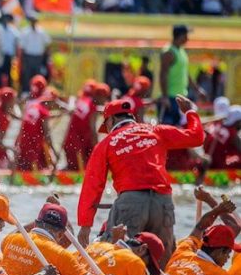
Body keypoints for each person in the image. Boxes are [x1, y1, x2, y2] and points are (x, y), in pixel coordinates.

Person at [77, 96, 205, 258]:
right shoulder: (155, 130)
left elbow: (92, 185)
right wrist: (191, 113)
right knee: (164, 261)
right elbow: (196, 137)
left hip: (131, 202)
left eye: (106, 125)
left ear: (112, 120)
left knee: (114, 257)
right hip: (163, 200)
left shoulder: (107, 143)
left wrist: (85, 225)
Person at [159, 25, 206, 126]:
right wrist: (164, 96)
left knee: (178, 128)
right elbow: (163, 74)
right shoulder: (169, 52)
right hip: (171, 97)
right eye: (186, 35)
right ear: (181, 36)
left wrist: (197, 89)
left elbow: (185, 73)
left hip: (180, 96)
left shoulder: (181, 51)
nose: (188, 38)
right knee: (168, 129)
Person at [63, 81, 109, 171]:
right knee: (89, 166)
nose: (105, 101)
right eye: (105, 97)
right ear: (99, 96)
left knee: (73, 167)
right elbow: (93, 130)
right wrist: (99, 149)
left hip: (70, 142)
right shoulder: (92, 107)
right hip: (78, 145)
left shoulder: (82, 99)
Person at [15, 75, 56, 170]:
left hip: (23, 142)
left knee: (23, 166)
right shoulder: (42, 108)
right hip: (34, 145)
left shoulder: (29, 104)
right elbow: (47, 134)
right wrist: (55, 153)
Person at [203, 103, 241, 169]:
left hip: (206, 164)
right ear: (237, 121)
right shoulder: (231, 132)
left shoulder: (215, 125)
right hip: (219, 167)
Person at [18, 16, 50, 94]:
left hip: (38, 57)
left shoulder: (41, 31)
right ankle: (26, 92)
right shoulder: (25, 32)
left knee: (38, 75)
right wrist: (20, 59)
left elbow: (47, 43)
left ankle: (38, 92)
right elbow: (21, 47)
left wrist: (46, 57)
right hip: (28, 56)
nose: (33, 23)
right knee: (27, 75)